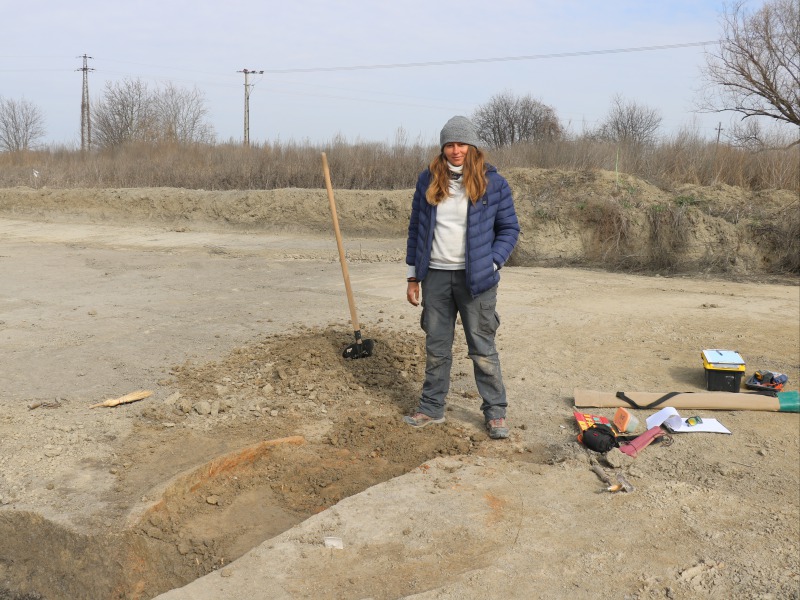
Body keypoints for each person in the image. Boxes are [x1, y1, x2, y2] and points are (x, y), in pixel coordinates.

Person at [404, 115, 520, 439]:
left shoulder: (493, 183)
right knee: (436, 347)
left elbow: (509, 229)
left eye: (462, 144)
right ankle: (431, 408)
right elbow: (416, 229)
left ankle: (496, 413)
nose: (456, 151)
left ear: (472, 146)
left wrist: (493, 262)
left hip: (477, 282)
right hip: (436, 277)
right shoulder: (427, 179)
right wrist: (412, 278)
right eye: (450, 145)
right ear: (443, 148)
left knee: (482, 348)